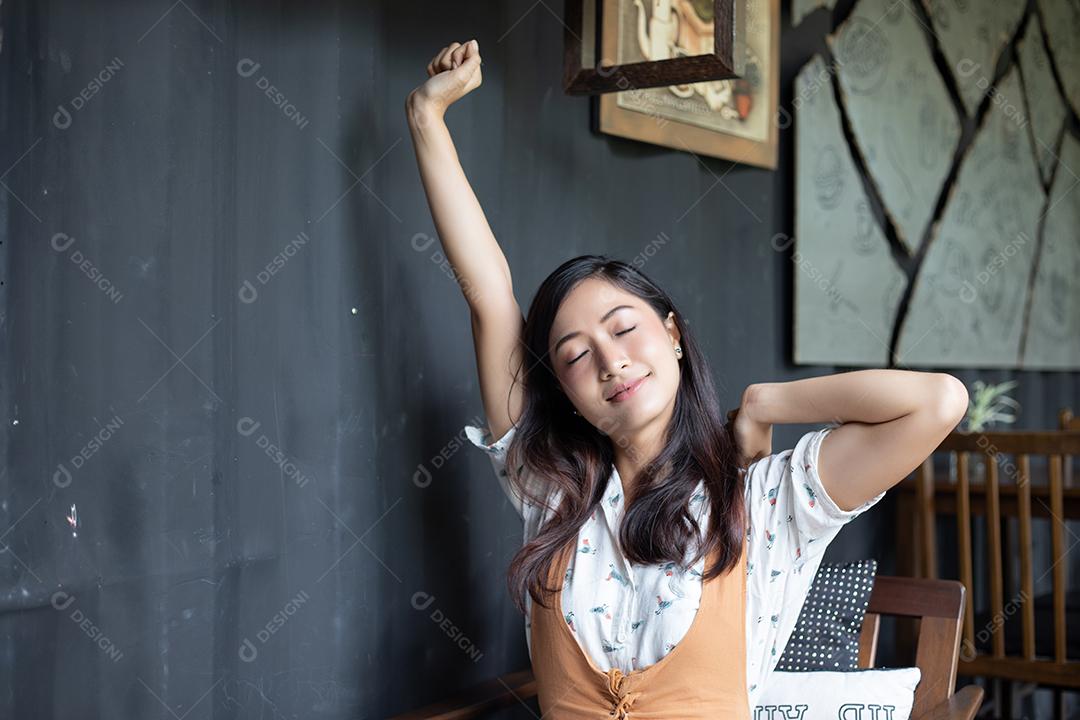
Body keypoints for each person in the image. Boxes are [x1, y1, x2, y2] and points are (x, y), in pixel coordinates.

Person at [405, 39, 969, 719]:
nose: (609, 360)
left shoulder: (766, 505)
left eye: (623, 328)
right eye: (575, 354)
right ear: (565, 391)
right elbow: (490, 297)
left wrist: (765, 404)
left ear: (672, 333)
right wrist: (426, 117)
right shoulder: (549, 491)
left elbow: (938, 401)